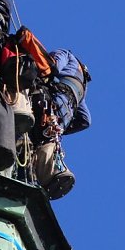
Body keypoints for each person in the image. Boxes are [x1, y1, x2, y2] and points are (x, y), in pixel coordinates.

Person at [30, 47, 91, 199]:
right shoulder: (80, 88)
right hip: (59, 120)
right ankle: (51, 174)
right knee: (41, 145)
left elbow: (52, 65)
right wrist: (62, 128)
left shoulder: (67, 54)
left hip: (48, 105)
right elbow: (85, 120)